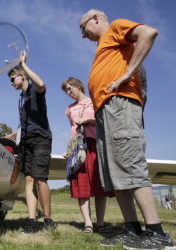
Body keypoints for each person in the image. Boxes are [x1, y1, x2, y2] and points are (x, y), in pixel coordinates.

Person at [79, 9, 175, 249]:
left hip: (119, 104)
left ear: (96, 19)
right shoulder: (105, 45)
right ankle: (132, 230)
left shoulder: (116, 27)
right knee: (114, 172)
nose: (83, 36)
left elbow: (148, 33)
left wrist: (129, 73)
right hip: (105, 112)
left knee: (130, 163)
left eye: (83, 29)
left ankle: (157, 233)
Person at [6, 51, 54, 233]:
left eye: (12, 79)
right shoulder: (22, 99)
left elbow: (42, 83)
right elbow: (27, 121)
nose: (11, 84)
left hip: (41, 138)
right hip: (25, 140)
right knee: (28, 179)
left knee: (40, 179)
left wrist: (24, 64)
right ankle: (32, 220)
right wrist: (15, 133)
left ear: (22, 75)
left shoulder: (35, 90)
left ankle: (48, 219)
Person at [61, 77, 113, 234]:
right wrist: (69, 150)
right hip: (78, 149)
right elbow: (72, 130)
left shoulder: (94, 102)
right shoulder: (69, 109)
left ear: (78, 86)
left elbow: (104, 123)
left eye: (70, 89)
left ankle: (100, 222)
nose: (69, 93)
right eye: (66, 91)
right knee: (82, 186)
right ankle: (88, 223)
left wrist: (91, 120)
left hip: (95, 145)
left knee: (99, 185)